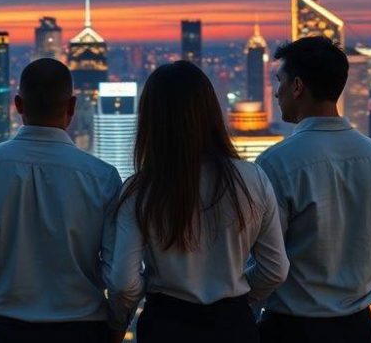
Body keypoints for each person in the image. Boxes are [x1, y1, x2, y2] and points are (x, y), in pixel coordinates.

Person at [0, 58, 124, 343]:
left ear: (18, 105)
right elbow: (120, 276)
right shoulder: (102, 177)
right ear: (72, 107)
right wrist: (116, 323)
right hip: (82, 332)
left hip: (6, 331)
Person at [107, 60, 288, 342]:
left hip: (166, 325)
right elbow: (275, 269)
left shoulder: (140, 189)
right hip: (233, 327)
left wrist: (119, 322)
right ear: (211, 112)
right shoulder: (252, 178)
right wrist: (239, 300)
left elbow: (123, 283)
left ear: (151, 120)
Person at [254, 36, 371, 343]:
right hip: (359, 328)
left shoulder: (276, 163)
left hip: (292, 330)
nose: (277, 92)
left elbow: (268, 264)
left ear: (297, 86)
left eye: (280, 81)